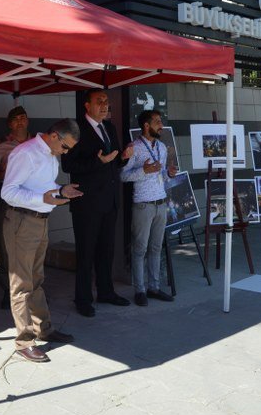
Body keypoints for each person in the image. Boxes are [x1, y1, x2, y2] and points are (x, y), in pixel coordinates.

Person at [1, 119, 83, 362]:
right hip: (22, 221)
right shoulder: (25, 153)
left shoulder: (49, 153)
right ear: (55, 135)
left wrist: (61, 190)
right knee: (21, 283)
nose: (65, 152)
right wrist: (46, 197)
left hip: (40, 219)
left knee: (36, 279)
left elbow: (44, 187)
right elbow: (8, 192)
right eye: (65, 147)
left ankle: (43, 328)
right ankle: (24, 342)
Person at [61, 89, 133, 317]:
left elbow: (112, 165)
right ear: (87, 105)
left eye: (106, 101)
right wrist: (98, 161)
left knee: (107, 250)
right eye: (99, 101)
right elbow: (68, 165)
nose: (105, 105)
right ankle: (82, 298)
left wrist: (122, 158)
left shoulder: (109, 128)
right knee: (86, 253)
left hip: (109, 201)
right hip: (87, 203)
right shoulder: (77, 129)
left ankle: (106, 291)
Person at [120, 110, 177, 306]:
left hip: (161, 204)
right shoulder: (134, 148)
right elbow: (123, 176)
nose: (161, 125)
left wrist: (168, 173)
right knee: (139, 249)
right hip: (143, 205)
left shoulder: (161, 147)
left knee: (155, 248)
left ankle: (154, 287)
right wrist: (143, 170)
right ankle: (140, 290)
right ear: (146, 125)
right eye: (157, 122)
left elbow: (160, 175)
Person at [0, 105, 32, 309]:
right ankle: (8, 291)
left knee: (32, 249)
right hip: (10, 203)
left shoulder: (37, 144)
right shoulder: (0, 147)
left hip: (34, 202)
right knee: (7, 248)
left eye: (23, 118)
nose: (20, 122)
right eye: (16, 119)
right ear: (9, 124)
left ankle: (33, 291)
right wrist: (3, 173)